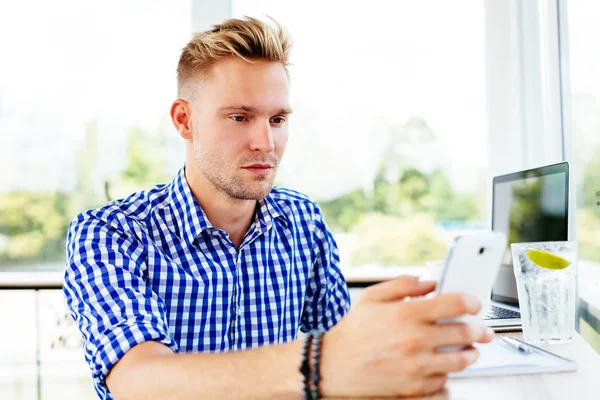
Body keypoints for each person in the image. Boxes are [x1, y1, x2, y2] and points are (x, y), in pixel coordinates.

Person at [63, 16, 494, 400]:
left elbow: (343, 357)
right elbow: (139, 382)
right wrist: (321, 363)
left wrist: (393, 361)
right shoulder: (110, 233)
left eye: (277, 120)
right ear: (184, 120)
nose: (265, 144)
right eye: (239, 117)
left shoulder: (302, 220)